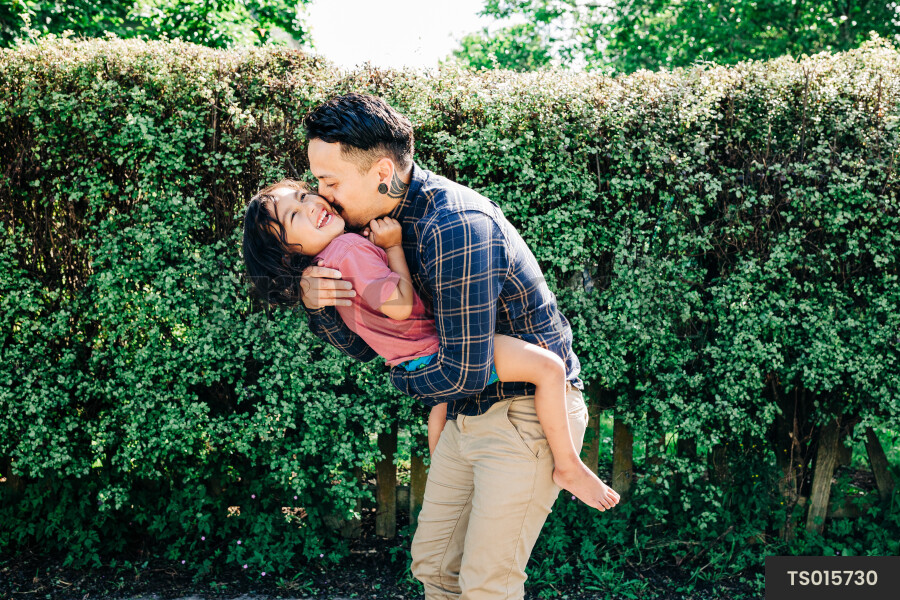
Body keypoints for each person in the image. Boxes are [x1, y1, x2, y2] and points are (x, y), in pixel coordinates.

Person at [245, 93, 619, 599]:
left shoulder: (455, 228)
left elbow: (461, 368)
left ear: (381, 171)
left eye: (329, 182)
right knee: (434, 567)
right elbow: (365, 344)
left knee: (487, 582)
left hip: (523, 409)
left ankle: (567, 464)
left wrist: (401, 375)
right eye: (316, 184)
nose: (322, 196)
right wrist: (319, 300)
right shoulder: (368, 228)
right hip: (463, 410)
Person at [242, 180, 621, 508]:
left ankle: (447, 489)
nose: (312, 205)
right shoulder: (347, 251)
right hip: (437, 352)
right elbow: (399, 303)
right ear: (290, 252)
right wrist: (392, 248)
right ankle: (569, 466)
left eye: (305, 196)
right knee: (549, 368)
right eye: (293, 216)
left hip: (410, 363)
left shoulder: (328, 262)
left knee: (442, 414)